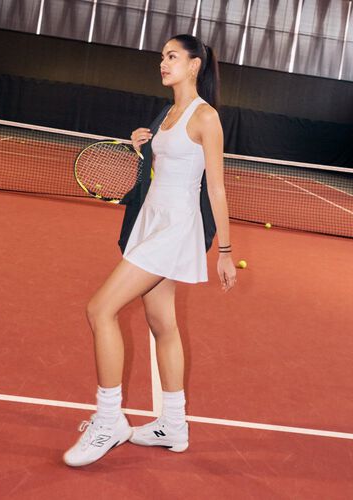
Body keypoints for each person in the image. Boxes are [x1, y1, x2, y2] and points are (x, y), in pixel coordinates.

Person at [64, 33, 235, 467]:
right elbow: (169, 163)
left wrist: (226, 251)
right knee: (162, 322)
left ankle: (109, 421)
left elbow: (215, 186)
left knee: (99, 310)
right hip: (151, 222)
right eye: (162, 57)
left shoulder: (205, 117)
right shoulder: (168, 112)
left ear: (194, 65)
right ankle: (173, 425)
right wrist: (146, 143)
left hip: (174, 229)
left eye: (172, 57)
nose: (163, 63)